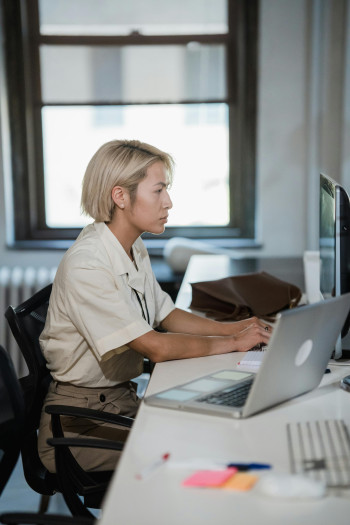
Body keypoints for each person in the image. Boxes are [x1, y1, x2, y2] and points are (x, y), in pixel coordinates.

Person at [38, 139, 271, 473]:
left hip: (120, 403)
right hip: (80, 424)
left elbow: (166, 314)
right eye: (158, 191)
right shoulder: (87, 264)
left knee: (212, 428)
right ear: (120, 196)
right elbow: (155, 347)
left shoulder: (133, 245)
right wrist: (234, 343)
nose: (169, 202)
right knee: (193, 454)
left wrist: (239, 328)